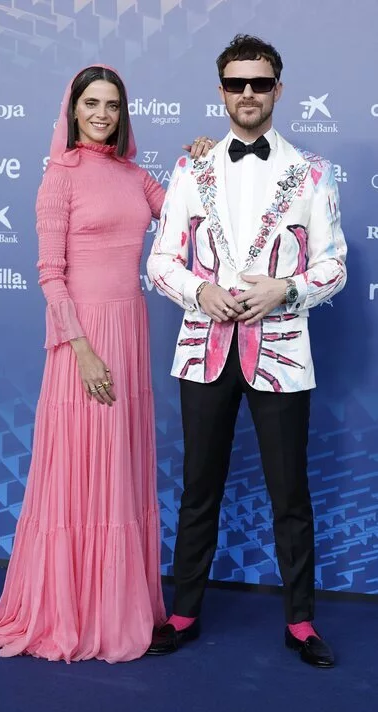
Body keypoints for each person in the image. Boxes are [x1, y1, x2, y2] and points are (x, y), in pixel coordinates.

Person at [0, 64, 214, 663]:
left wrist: (204, 164)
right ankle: (69, 608)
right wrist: (81, 350)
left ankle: (116, 607)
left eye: (112, 104)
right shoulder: (60, 178)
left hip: (129, 331)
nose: (102, 114)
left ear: (123, 113)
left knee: (119, 465)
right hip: (83, 342)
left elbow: (189, 216)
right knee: (81, 466)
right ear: (73, 109)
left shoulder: (135, 176)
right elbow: (51, 276)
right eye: (92, 103)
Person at [146, 35, 347, 668]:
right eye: (237, 84)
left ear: (278, 90)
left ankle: (301, 622)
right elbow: (161, 261)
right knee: (198, 489)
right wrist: (198, 291)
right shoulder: (191, 169)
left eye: (260, 83)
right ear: (222, 92)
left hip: (281, 350)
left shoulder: (312, 171)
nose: (249, 93)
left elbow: (334, 265)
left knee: (291, 495)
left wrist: (287, 289)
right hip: (204, 348)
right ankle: (183, 613)